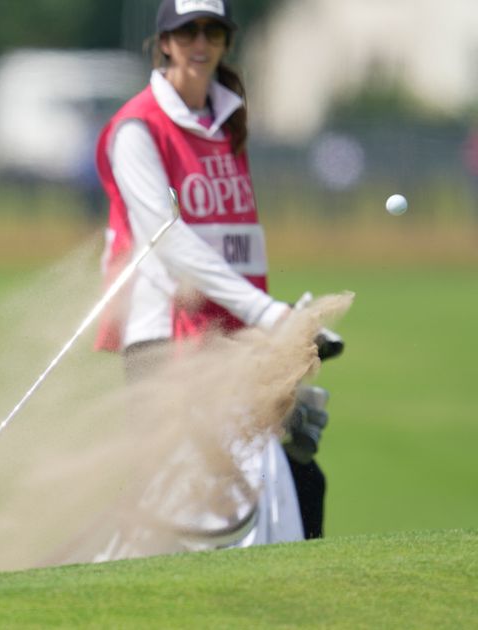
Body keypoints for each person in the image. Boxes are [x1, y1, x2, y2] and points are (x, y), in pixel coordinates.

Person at [93, 0, 335, 552]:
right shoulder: (137, 128)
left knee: (292, 474)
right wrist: (272, 315)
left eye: (212, 31)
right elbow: (171, 243)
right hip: (165, 339)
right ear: (165, 44)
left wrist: (272, 324)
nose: (200, 43)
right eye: (187, 31)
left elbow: (238, 241)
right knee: (172, 497)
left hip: (236, 337)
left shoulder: (227, 119)